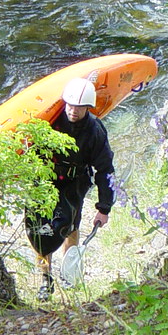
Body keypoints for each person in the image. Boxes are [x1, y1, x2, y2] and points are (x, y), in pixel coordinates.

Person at [25, 77, 115, 299]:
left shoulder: (95, 131)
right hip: (45, 178)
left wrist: (104, 208)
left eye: (79, 107)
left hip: (75, 182)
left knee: (70, 226)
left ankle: (68, 273)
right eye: (71, 105)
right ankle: (45, 280)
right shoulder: (49, 121)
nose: (73, 111)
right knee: (39, 228)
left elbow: (105, 170)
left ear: (88, 107)